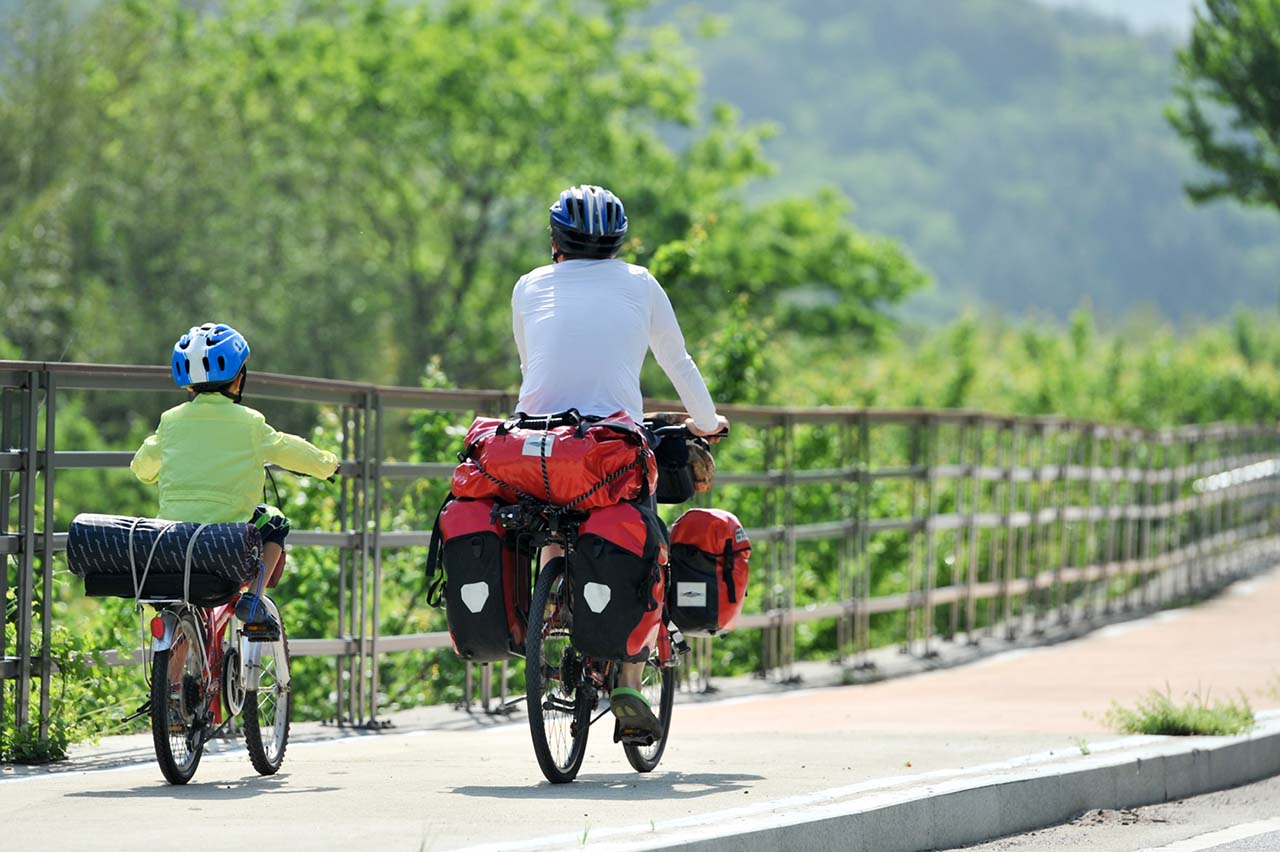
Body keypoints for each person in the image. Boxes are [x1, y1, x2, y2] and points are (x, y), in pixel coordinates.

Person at [512, 184, 728, 739]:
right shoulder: (639, 283)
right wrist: (705, 422)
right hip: (611, 448)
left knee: (553, 525)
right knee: (647, 546)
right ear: (618, 242)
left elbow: (533, 366)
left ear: (555, 240)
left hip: (533, 446)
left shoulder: (528, 286)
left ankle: (553, 616)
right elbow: (677, 361)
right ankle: (629, 679)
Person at [130, 323, 339, 637]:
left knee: (184, 631)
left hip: (172, 543)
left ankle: (167, 683)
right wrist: (327, 465)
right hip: (227, 542)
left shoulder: (170, 421)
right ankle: (254, 599)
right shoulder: (250, 423)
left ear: (188, 385)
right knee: (276, 522)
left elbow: (142, 469)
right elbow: (289, 449)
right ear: (240, 377)